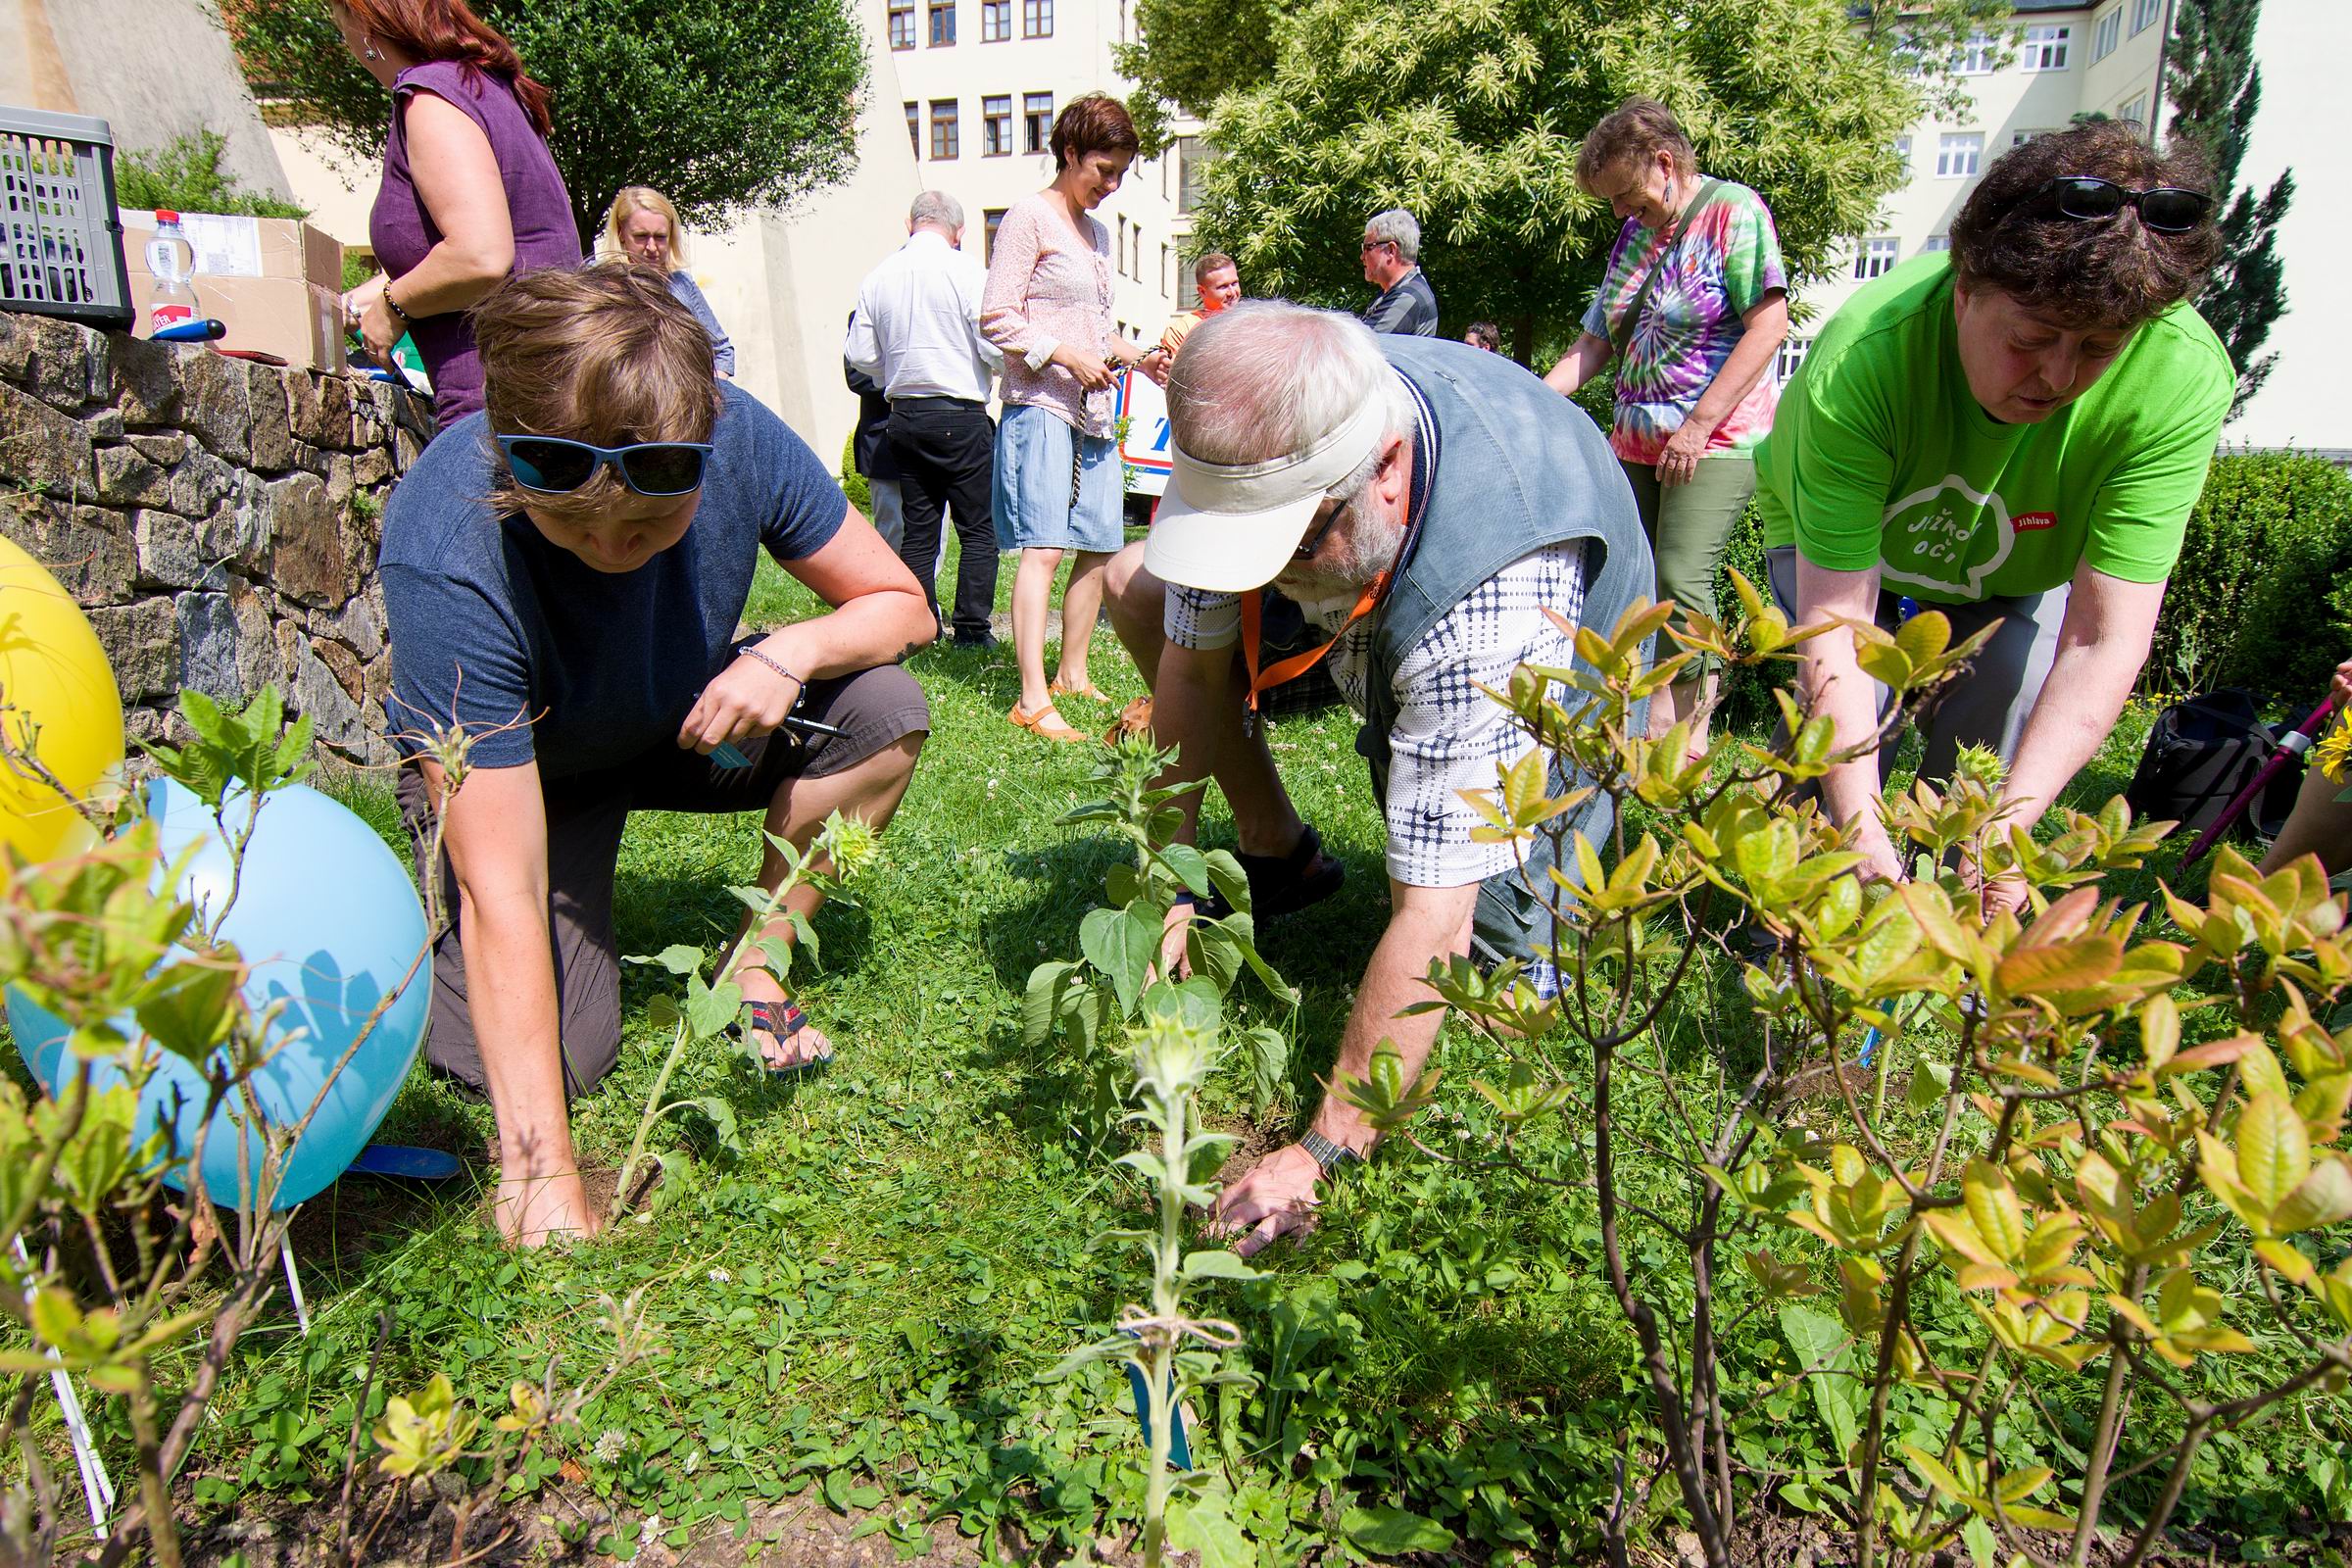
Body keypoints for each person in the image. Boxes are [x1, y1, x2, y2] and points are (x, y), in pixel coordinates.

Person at [378, 266, 936, 1244]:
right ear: (513, 462)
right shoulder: (445, 538)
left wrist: (788, 650)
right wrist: (542, 1174)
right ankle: (396, 942)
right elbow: (504, 884)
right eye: (573, 524)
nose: (609, 546)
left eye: (645, 524)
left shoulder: (739, 433)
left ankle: (756, 969)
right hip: (525, 775)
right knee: (553, 1058)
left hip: (679, 720)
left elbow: (902, 606)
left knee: (883, 713)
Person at [1101, 303, 1651, 1255]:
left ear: (1386, 472)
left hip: (1560, 645)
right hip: (1382, 560)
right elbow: (1188, 676)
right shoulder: (1249, 452)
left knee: (1502, 964)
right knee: (1138, 588)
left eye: (1292, 547)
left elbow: (1434, 912)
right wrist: (1169, 886)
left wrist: (1326, 1146)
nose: (1263, 577)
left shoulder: (1495, 589)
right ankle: (1282, 853)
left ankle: (1538, 915)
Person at [1757, 121, 2230, 917]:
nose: (2057, 378)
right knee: (1857, 705)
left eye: (2098, 350)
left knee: (2000, 701)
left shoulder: (2180, 378)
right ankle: (1788, 919)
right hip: (1834, 549)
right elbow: (1835, 622)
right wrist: (1865, 841)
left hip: (2014, 570)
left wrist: (2005, 829)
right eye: (2031, 339)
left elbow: (2103, 636)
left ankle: (1945, 913)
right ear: (1964, 287)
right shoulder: (1864, 359)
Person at [1544, 97, 1788, 760]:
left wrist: (1698, 425)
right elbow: (1593, 345)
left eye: (1626, 195)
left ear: (1664, 163)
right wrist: (1526, 401)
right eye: (1611, 203)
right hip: (1637, 441)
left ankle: (1685, 734)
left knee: (1681, 577)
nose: (1621, 213)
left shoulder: (1734, 213)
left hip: (1712, 440)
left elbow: (1770, 324)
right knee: (1633, 581)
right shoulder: (1632, 236)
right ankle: (1632, 713)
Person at [982, 94, 1157, 739]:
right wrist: (1063, 355)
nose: (1110, 186)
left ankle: (1072, 674)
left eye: (1118, 174)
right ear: (1070, 154)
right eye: (1102, 171)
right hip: (1041, 404)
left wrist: (1137, 358)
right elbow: (997, 316)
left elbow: (1096, 331)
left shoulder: (1098, 234)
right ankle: (1031, 700)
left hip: (1094, 412)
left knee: (1099, 544)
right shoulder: (1029, 217)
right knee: (1045, 549)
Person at [330, 0, 581, 428]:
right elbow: (451, 252)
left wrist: (392, 310)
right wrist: (352, 306)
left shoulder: (431, 95)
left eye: (341, 27)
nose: (346, 42)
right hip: (544, 390)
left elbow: (478, 256)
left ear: (367, 25)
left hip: (501, 409)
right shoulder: (482, 87)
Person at [846, 192, 1004, 647]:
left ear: (909, 225)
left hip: (905, 415)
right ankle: (971, 629)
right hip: (961, 411)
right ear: (959, 232)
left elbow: (860, 355)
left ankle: (922, 625)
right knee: (977, 529)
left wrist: (897, 370)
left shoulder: (878, 276)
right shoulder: (971, 271)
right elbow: (994, 345)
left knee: (920, 531)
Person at [605, 185, 736, 377]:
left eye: (660, 237)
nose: (652, 247)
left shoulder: (681, 285)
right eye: (641, 236)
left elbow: (723, 353)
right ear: (621, 234)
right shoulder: (602, 286)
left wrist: (712, 396)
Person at [844, 348, 904, 554]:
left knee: (935, 529)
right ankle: (893, 583)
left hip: (935, 435)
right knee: (892, 526)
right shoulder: (864, 316)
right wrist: (910, 380)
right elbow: (857, 376)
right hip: (884, 445)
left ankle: (927, 584)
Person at [1150, 251, 1244, 371]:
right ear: (1202, 291)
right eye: (1223, 287)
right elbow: (1174, 380)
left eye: (1234, 283)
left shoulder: (1254, 323)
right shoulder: (1182, 330)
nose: (1232, 292)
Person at [1358, 209, 1440, 337]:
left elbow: (1359, 346)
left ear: (1391, 250)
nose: (1362, 257)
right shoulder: (1395, 291)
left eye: (1368, 248)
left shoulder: (1408, 297)